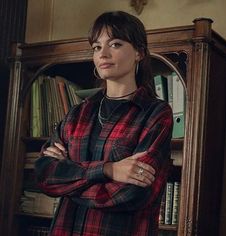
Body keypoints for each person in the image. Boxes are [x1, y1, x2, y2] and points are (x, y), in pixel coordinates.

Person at [35, 11, 173, 236]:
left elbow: (132, 194)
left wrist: (68, 179)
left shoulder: (156, 113)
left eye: (115, 44)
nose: (103, 54)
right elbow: (44, 174)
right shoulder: (77, 113)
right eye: (97, 47)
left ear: (139, 52)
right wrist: (109, 170)